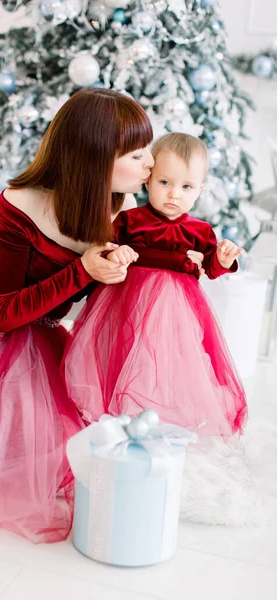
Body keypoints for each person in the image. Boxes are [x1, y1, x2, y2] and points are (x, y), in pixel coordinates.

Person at [0, 90, 205, 543]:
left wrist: (194, 261)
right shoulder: (20, 204)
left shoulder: (119, 207)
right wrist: (83, 271)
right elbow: (2, 313)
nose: (151, 164)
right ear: (96, 159)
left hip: (47, 334)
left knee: (65, 457)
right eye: (136, 153)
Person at [64, 132, 247, 438]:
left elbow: (210, 268)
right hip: (126, 301)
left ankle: (157, 412)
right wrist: (116, 252)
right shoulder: (130, 220)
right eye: (165, 183)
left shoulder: (199, 231)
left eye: (186, 187)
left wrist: (223, 260)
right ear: (148, 181)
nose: (174, 194)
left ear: (199, 190)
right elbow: (106, 248)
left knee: (167, 357)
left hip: (177, 309)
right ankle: (116, 409)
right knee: (122, 351)